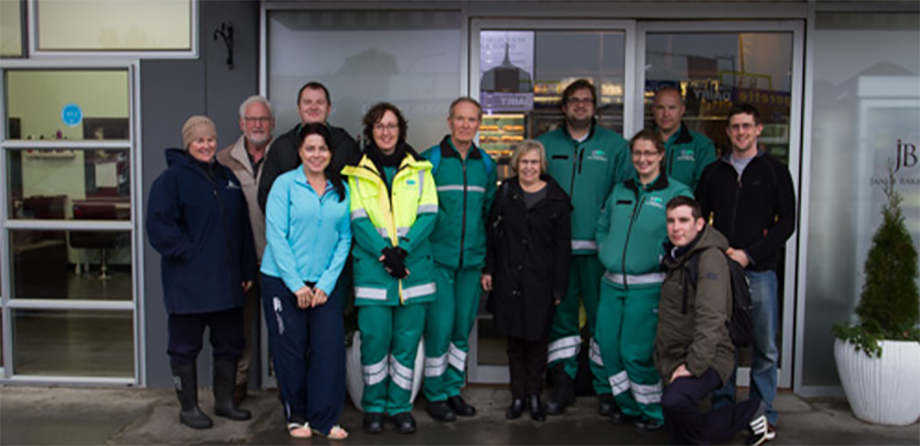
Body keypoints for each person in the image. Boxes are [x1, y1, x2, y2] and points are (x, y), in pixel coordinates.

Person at [147, 115, 256, 429]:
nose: (206, 145)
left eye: (210, 139)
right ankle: (189, 407)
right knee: (184, 348)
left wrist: (247, 266)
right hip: (188, 285)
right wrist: (187, 252)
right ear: (188, 144)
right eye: (199, 140)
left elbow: (243, 229)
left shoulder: (227, 178)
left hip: (227, 284)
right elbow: (158, 226)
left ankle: (224, 402)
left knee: (230, 344)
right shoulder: (170, 181)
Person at [695, 104, 796, 441]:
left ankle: (762, 413)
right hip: (721, 273)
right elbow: (699, 220)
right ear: (728, 131)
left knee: (764, 347)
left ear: (758, 130)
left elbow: (788, 224)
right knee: (724, 345)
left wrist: (750, 255)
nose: (740, 132)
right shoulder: (713, 173)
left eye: (746, 126)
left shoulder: (774, 171)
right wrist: (716, 252)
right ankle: (726, 412)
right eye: (735, 127)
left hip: (760, 272)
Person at [537, 78, 632, 416]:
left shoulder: (616, 146)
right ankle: (563, 385)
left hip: (598, 253)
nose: (580, 106)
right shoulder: (543, 145)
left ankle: (606, 389)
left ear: (595, 108)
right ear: (563, 107)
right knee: (561, 321)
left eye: (587, 101)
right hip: (556, 252)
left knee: (601, 321)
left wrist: (612, 245)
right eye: (574, 100)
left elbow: (624, 198)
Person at [342, 102, 438, 435]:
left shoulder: (422, 169)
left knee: (406, 346)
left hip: (413, 274)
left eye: (392, 125)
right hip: (374, 273)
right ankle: (374, 408)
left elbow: (429, 214)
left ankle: (399, 407)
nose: (386, 132)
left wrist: (403, 251)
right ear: (370, 131)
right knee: (374, 344)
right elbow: (357, 219)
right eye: (379, 126)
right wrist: (386, 254)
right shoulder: (355, 171)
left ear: (401, 130)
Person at [594, 129, 692, 433]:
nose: (643, 159)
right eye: (637, 153)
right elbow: (602, 226)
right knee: (607, 348)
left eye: (649, 153)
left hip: (647, 288)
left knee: (635, 352)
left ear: (661, 155)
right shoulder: (621, 190)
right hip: (611, 284)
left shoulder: (676, 193)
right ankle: (627, 405)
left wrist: (662, 259)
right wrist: (605, 251)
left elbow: (685, 238)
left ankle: (653, 411)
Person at [261, 123, 352, 440]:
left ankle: (325, 419)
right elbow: (276, 236)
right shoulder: (284, 185)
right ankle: (296, 415)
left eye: (322, 149)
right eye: (310, 148)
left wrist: (325, 284)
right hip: (282, 281)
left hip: (323, 285)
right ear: (300, 151)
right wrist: (296, 284)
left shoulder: (341, 189)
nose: (317, 154)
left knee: (329, 350)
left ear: (330, 153)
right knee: (291, 349)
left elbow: (345, 240)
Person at [656, 196, 769, 446]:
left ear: (699, 224)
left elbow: (712, 318)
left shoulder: (709, 259)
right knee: (677, 427)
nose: (676, 227)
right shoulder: (677, 256)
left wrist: (692, 366)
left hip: (708, 355)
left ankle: (750, 411)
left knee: (676, 402)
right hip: (677, 354)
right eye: (671, 221)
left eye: (684, 220)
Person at [482, 140, 572, 422]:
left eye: (534, 162)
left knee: (536, 342)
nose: (529, 167)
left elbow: (562, 247)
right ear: (516, 164)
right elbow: (493, 237)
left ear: (541, 166)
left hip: (540, 281)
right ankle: (517, 397)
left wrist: (559, 286)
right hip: (509, 277)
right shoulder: (506, 193)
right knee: (514, 343)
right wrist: (489, 270)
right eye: (524, 162)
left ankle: (534, 396)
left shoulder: (557, 199)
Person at [420, 97, 497, 422]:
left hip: (471, 264)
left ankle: (453, 390)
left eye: (472, 119)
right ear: (449, 121)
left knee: (462, 330)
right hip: (438, 261)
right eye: (460, 119)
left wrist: (486, 264)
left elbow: (489, 215)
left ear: (479, 124)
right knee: (440, 327)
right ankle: (435, 393)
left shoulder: (486, 165)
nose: (466, 125)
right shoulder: (431, 161)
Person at [215, 95, 275, 403]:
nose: (257, 125)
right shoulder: (223, 160)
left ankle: (285, 384)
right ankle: (237, 385)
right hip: (243, 260)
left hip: (278, 260)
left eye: (263, 119)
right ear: (242, 124)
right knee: (239, 329)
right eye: (252, 120)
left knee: (283, 328)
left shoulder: (285, 156)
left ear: (272, 124)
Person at [258, 81, 360, 211]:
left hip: (336, 227)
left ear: (329, 109)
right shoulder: (282, 146)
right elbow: (266, 195)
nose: (313, 107)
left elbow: (359, 193)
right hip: (295, 229)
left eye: (320, 102)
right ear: (299, 108)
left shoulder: (345, 144)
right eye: (307, 102)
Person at [651, 86, 717, 190]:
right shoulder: (641, 144)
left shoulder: (701, 145)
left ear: (682, 110)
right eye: (660, 108)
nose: (666, 114)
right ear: (653, 110)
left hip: (688, 204)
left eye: (672, 108)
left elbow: (706, 187)